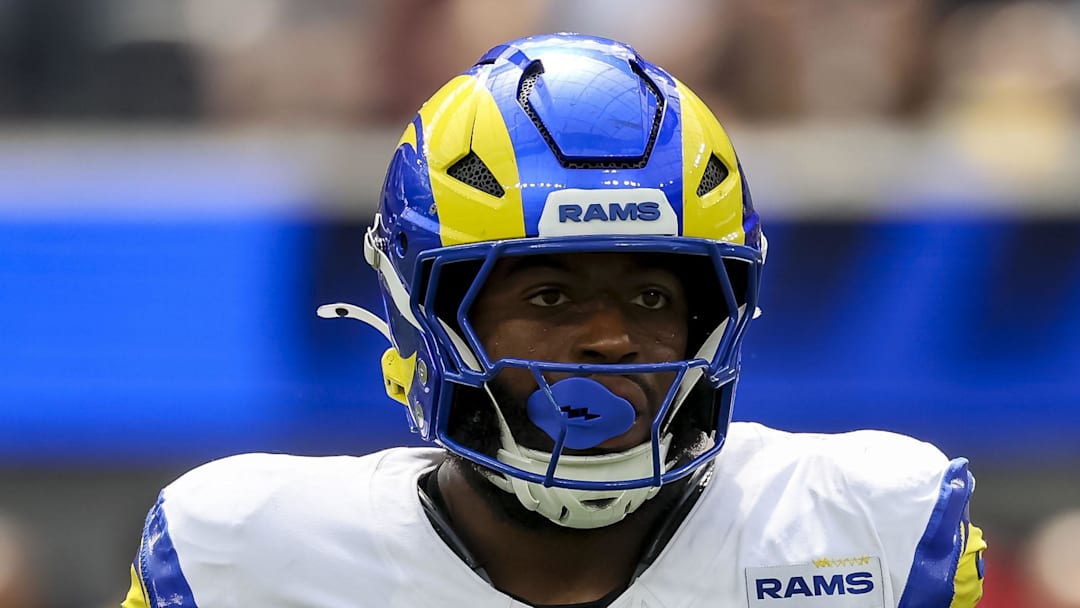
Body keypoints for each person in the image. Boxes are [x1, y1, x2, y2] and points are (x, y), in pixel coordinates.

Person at [121, 33, 986, 607]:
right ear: (425, 317)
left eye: (652, 297)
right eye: (549, 297)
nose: (610, 338)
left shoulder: (868, 532)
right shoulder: (243, 557)